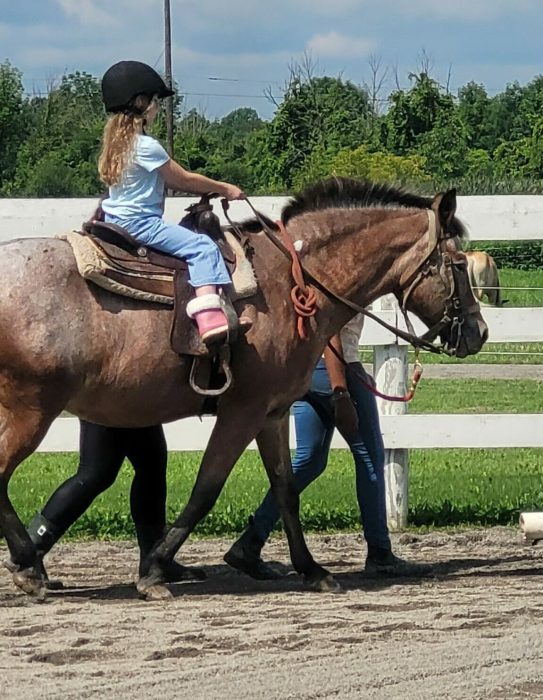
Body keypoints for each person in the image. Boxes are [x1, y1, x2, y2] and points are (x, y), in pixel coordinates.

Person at [224, 315, 430, 578]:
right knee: (370, 458)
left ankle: (250, 542)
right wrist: (341, 389)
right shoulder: (346, 274)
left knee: (309, 459)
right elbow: (330, 328)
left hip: (306, 371)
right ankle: (380, 553)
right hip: (335, 370)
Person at [99, 60, 250, 345]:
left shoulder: (118, 146)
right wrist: (225, 188)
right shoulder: (146, 146)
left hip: (114, 221)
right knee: (203, 247)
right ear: (141, 104)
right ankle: (210, 320)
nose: (157, 107)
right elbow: (182, 179)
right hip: (140, 224)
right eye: (155, 101)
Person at [7, 421, 203, 585]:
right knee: (101, 472)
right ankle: (30, 549)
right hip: (121, 394)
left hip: (113, 394)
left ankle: (32, 547)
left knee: (136, 467)